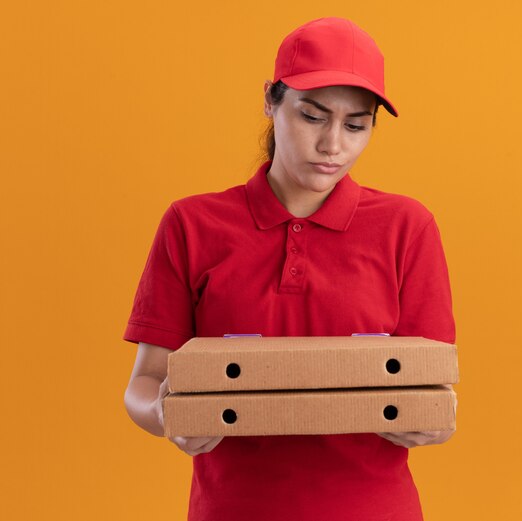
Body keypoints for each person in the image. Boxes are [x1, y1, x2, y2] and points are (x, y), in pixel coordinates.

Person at [123, 16, 455, 521]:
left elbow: (436, 389)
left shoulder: (407, 227)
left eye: (356, 125)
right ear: (270, 101)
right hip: (233, 509)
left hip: (374, 509)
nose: (333, 146)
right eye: (313, 116)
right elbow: (143, 384)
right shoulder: (192, 224)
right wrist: (167, 415)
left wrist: (435, 422)